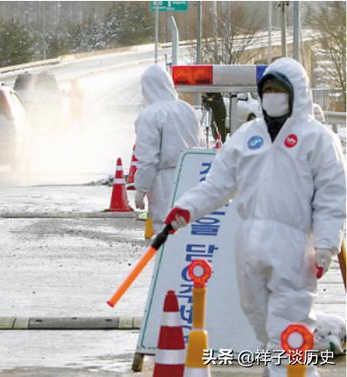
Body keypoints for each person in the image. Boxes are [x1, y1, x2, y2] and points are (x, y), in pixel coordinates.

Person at [164, 58, 346, 377]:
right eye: (268, 90)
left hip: (293, 243)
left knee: (288, 325)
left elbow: (332, 196)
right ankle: (287, 369)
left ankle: (287, 371)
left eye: (279, 90)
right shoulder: (248, 135)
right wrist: (186, 209)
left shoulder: (317, 139)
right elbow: (218, 184)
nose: (272, 96)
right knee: (259, 318)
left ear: (296, 93)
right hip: (248, 242)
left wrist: (327, 244)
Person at [133, 64, 204, 233]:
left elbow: (147, 158)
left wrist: (141, 188)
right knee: (189, 228)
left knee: (166, 229)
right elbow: (201, 144)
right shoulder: (186, 109)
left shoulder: (149, 115)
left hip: (164, 181)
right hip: (191, 175)